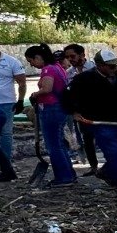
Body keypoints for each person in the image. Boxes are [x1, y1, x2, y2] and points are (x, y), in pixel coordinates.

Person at [67, 48, 117, 189]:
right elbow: (69, 97)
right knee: (113, 151)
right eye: (111, 66)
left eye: (116, 65)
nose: (115, 68)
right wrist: (74, 112)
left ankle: (106, 171)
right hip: (98, 121)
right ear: (100, 65)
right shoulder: (84, 79)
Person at [24, 44, 77, 186]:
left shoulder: (48, 69)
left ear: (37, 57)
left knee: (53, 145)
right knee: (59, 143)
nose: (32, 64)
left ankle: (63, 177)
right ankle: (69, 174)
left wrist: (35, 94)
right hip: (58, 108)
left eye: (31, 61)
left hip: (51, 109)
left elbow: (47, 88)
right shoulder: (57, 67)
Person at [61, 43, 99, 173]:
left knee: (106, 138)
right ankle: (94, 167)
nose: (70, 59)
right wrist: (74, 110)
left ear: (82, 55)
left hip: (100, 109)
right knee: (87, 139)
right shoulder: (69, 73)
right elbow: (68, 94)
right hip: (82, 111)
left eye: (72, 56)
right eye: (67, 57)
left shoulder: (95, 68)